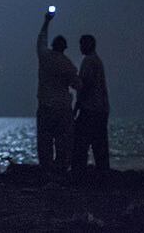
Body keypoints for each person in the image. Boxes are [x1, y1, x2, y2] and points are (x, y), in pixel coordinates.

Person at [36, 12, 80, 171]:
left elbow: (41, 40)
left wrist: (46, 22)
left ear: (53, 45)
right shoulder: (67, 64)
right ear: (64, 48)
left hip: (46, 106)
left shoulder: (45, 57)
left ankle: (46, 169)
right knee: (63, 142)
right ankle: (60, 170)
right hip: (62, 108)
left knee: (45, 142)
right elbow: (77, 85)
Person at [72, 34, 110, 174]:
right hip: (101, 109)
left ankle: (78, 173)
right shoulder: (96, 61)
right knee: (99, 144)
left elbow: (86, 85)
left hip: (90, 108)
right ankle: (103, 172)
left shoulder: (89, 61)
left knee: (81, 144)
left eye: (82, 44)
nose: (80, 47)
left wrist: (77, 106)